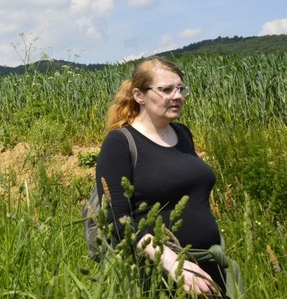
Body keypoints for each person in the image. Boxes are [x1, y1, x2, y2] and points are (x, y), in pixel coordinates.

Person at [95, 58, 242, 298]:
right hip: (159, 275)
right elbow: (116, 220)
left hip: (207, 267)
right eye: (166, 89)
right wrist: (172, 262)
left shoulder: (183, 134)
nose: (177, 96)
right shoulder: (120, 143)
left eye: (180, 88)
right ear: (139, 95)